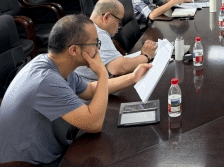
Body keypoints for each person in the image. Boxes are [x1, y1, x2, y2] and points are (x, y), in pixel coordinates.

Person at [0, 15, 151, 165]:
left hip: (47, 151)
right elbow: (94, 124)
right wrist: (102, 73)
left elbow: (90, 89)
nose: (98, 49)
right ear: (74, 50)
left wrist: (133, 77)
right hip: (28, 163)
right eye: (95, 43)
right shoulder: (46, 80)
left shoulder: (53, 63)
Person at [75, 0, 158, 82]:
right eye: (119, 22)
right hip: (90, 87)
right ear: (106, 17)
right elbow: (118, 68)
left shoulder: (85, 25)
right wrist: (146, 56)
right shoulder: (97, 33)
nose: (119, 27)